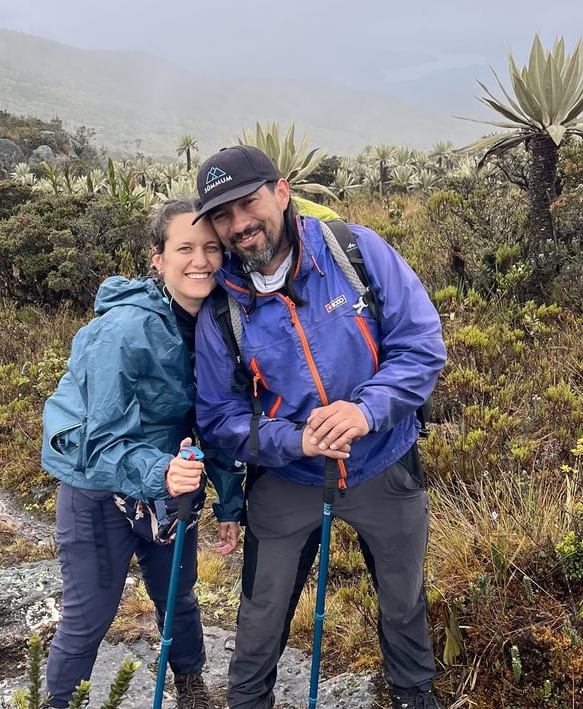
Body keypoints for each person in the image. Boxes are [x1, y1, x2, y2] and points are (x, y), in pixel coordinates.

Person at [191, 145, 447, 709]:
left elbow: (422, 346)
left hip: (385, 463)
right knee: (260, 614)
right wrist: (295, 439)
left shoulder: (355, 251)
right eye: (222, 216)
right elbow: (219, 418)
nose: (239, 225)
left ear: (281, 193)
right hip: (289, 479)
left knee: (403, 599)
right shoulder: (222, 309)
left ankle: (412, 695)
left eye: (247, 204)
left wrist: (366, 410)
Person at [41, 197, 244, 709]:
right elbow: (102, 440)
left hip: (172, 482)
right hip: (99, 487)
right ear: (158, 259)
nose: (200, 260)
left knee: (177, 596)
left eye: (211, 248)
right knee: (88, 615)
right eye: (184, 248)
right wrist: (164, 474)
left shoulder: (222, 323)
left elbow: (213, 421)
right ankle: (57, 703)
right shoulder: (125, 329)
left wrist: (229, 503)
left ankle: (191, 685)